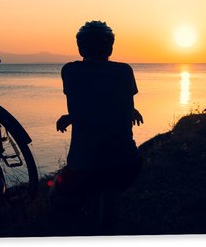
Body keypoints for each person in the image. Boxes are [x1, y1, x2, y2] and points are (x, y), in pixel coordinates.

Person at [50, 21, 143, 208]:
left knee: (54, 193)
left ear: (80, 47)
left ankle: (90, 200)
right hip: (128, 166)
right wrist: (128, 110)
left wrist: (72, 117)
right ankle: (104, 196)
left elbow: (82, 102)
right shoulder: (125, 71)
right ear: (110, 46)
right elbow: (113, 98)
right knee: (108, 182)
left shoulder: (70, 71)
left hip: (83, 169)